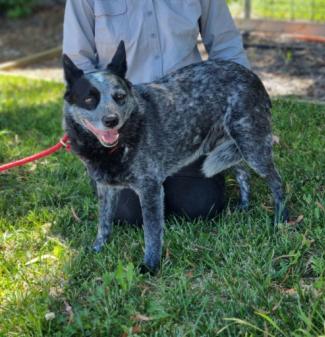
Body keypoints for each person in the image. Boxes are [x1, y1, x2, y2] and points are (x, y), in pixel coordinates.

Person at [63, 0, 250, 224]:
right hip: (122, 128)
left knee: (202, 206)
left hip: (185, 122)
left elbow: (226, 45)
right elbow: (79, 62)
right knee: (129, 215)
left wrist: (242, 114)